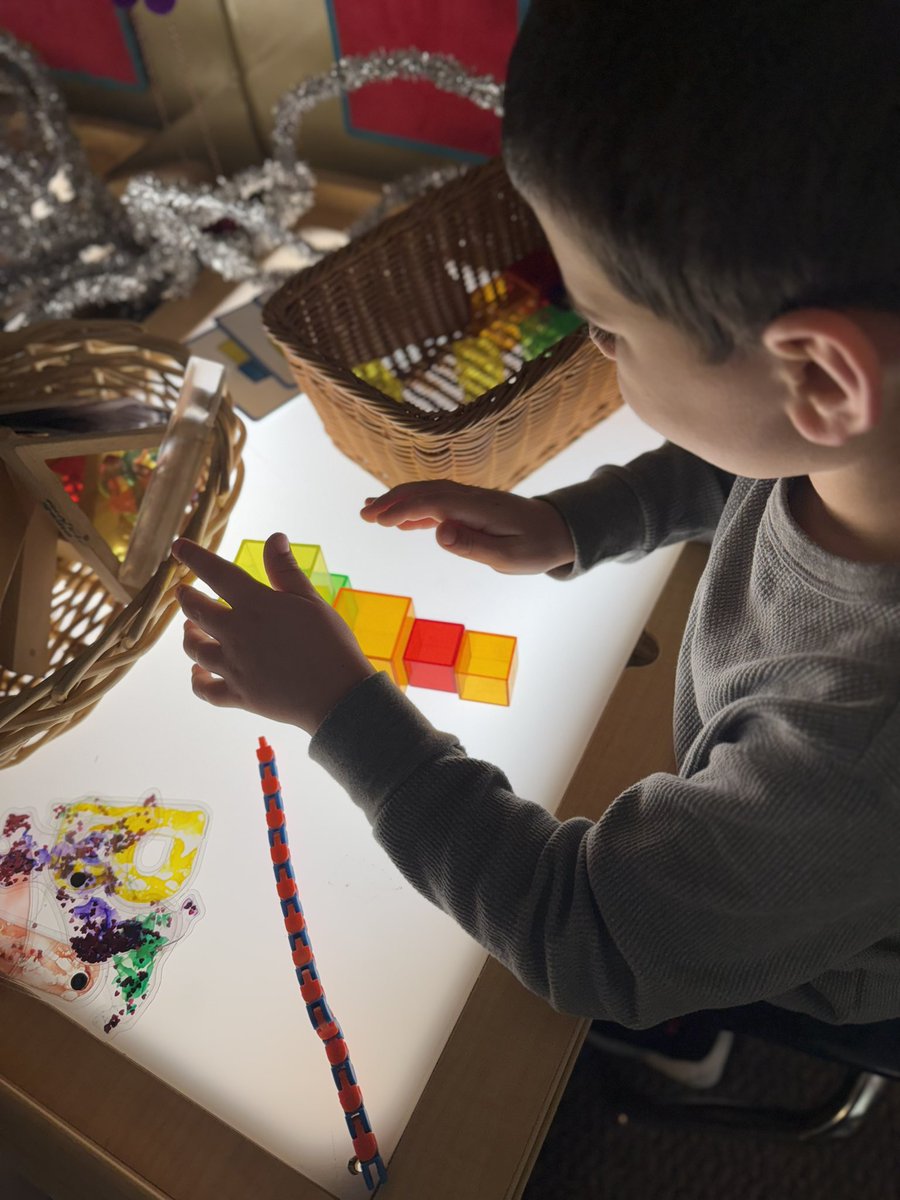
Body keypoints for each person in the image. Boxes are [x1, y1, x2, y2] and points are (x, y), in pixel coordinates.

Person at [172, 0, 900, 1088]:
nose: (598, 353)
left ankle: (695, 1032)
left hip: (816, 949)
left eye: (608, 331)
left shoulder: (848, 756)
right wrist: (580, 521)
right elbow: (762, 453)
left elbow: (587, 931)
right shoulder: (861, 437)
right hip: (766, 847)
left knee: (643, 980)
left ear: (824, 377)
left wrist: (342, 709)